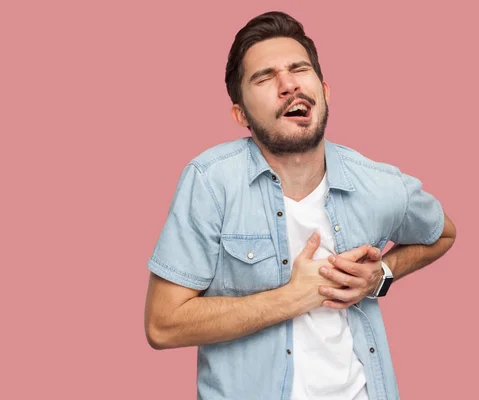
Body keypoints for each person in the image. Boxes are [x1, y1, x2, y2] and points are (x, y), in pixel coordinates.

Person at [144, 11, 456, 400]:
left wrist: (381, 277)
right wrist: (290, 299)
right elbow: (162, 324)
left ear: (324, 90)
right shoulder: (211, 181)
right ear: (240, 113)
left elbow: (442, 233)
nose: (288, 84)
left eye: (299, 69)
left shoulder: (375, 182)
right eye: (265, 77)